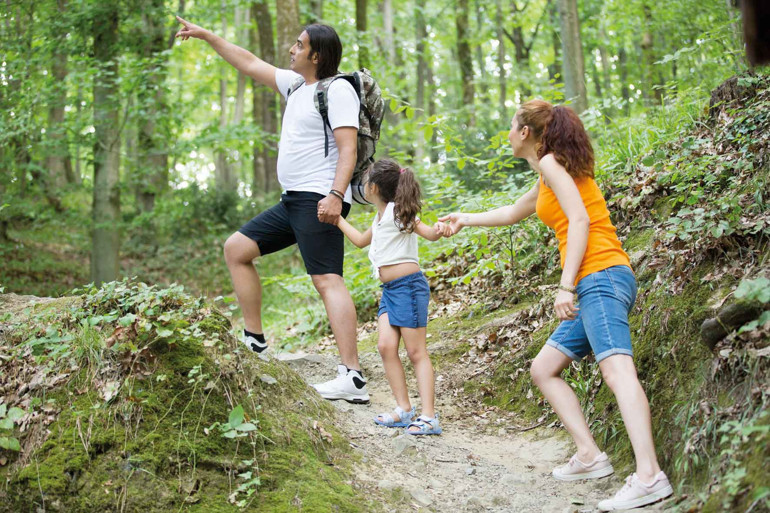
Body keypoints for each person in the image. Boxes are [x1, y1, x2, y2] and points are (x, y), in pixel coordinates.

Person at [437, 100, 673, 510]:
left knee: (617, 372)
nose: (508, 133)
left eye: (511, 126)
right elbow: (514, 212)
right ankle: (589, 455)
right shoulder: (551, 172)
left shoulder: (550, 165)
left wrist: (567, 287)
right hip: (598, 279)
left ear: (525, 132)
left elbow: (579, 221)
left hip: (598, 277)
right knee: (544, 368)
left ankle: (649, 475)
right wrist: (465, 218)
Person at [175, 17, 369, 403]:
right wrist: (207, 33)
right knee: (237, 249)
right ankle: (256, 340)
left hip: (319, 198)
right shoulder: (297, 85)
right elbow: (248, 62)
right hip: (293, 200)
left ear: (316, 54)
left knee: (327, 280)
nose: (291, 50)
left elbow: (348, 149)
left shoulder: (337, 90)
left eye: (299, 45)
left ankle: (352, 376)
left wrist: (335, 194)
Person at [334, 159, 444, 435]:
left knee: (417, 352)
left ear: (372, 187)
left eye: (365, 181)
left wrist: (443, 228)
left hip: (409, 288)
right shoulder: (381, 216)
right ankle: (404, 409)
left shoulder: (398, 211)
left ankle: (429, 416)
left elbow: (429, 233)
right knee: (385, 346)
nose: (362, 185)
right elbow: (360, 240)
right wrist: (337, 220)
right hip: (391, 292)